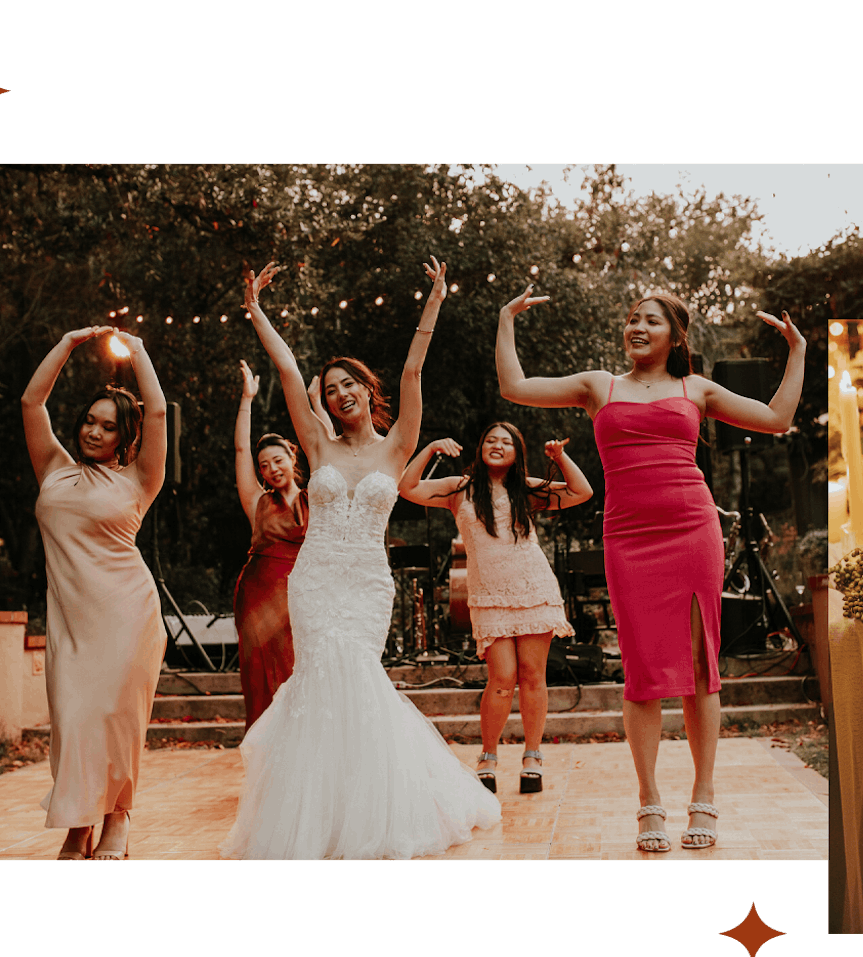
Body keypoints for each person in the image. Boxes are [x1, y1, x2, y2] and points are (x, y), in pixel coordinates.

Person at [496, 288, 807, 852]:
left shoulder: (697, 389)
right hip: (629, 538)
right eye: (632, 318)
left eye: (651, 320)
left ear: (675, 336)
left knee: (697, 666)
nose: (637, 326)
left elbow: (777, 418)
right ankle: (648, 802)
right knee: (641, 672)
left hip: (692, 529)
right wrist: (505, 321)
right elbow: (514, 387)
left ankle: (704, 796)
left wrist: (799, 352)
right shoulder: (599, 386)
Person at [220, 257, 499, 860]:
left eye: (348, 385)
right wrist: (256, 311)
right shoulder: (316, 441)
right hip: (314, 579)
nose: (338, 394)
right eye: (330, 390)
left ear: (365, 391)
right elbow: (288, 370)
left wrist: (434, 302)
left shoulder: (399, 442)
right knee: (319, 679)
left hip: (366, 582)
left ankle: (378, 809)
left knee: (357, 678)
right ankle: (317, 817)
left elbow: (415, 365)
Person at [21, 325, 169, 861]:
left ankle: (116, 820)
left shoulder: (139, 480)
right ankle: (78, 821)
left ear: (123, 437)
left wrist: (139, 352)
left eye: (107, 427)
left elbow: (157, 412)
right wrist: (65, 343)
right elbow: (31, 400)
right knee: (73, 719)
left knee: (113, 718)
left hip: (126, 616)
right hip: (71, 624)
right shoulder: (54, 470)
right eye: (89, 420)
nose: (93, 432)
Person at [397, 423, 593, 793]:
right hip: (489, 596)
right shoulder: (460, 488)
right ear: (480, 448)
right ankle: (488, 755)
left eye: (506, 442)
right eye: (490, 440)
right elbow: (407, 488)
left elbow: (582, 492)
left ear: (517, 452)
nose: (497, 446)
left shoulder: (527, 490)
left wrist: (559, 457)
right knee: (501, 680)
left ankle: (533, 756)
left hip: (533, 588)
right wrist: (430, 449)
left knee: (533, 676)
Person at [230, 359, 308, 728]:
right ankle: (264, 749)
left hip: (301, 594)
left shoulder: (315, 498)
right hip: (258, 594)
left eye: (277, 460)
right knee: (260, 675)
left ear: (292, 458)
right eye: (265, 465)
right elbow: (241, 451)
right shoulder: (256, 502)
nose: (271, 469)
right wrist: (247, 400)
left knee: (297, 670)